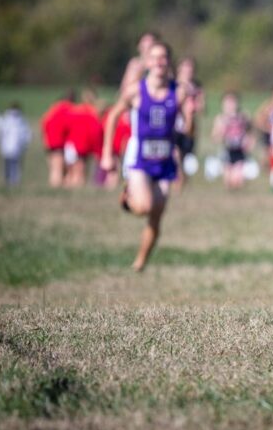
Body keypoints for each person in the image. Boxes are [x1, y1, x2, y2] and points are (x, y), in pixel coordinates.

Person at [101, 39, 194, 272]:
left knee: (156, 214)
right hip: (140, 157)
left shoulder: (179, 92)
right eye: (155, 57)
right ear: (147, 62)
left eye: (164, 57)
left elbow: (188, 130)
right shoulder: (135, 91)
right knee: (143, 207)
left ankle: (140, 262)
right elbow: (113, 116)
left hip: (165, 160)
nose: (159, 62)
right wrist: (106, 153)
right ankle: (128, 195)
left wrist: (190, 117)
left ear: (169, 61)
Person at [173, 57, 205, 191]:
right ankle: (177, 183)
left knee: (185, 156)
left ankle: (182, 182)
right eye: (185, 67)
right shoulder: (171, 84)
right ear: (179, 68)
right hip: (174, 126)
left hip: (190, 127)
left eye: (191, 68)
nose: (188, 71)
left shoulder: (197, 87)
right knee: (175, 154)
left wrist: (194, 106)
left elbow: (203, 108)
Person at [212, 91, 252, 189]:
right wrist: (222, 131)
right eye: (227, 103)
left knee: (238, 181)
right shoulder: (220, 118)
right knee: (228, 182)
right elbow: (214, 137)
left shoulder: (243, 116)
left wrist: (249, 141)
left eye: (232, 102)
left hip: (239, 151)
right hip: (227, 150)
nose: (230, 105)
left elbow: (250, 130)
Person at [65, 88, 104, 188]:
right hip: (82, 146)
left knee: (71, 171)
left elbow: (66, 126)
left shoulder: (75, 110)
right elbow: (95, 132)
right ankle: (75, 191)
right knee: (80, 171)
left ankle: (68, 189)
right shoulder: (92, 113)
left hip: (70, 144)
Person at [41, 90, 75, 187]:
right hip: (61, 142)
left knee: (55, 167)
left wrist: (45, 140)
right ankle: (57, 187)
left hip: (50, 142)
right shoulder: (69, 109)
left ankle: (56, 185)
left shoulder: (53, 109)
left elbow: (44, 123)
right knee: (59, 168)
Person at [0, 102, 32, 186]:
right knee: (9, 165)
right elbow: (1, 133)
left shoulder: (21, 120)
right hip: (8, 147)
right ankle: (8, 180)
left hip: (16, 147)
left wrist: (25, 143)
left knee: (15, 165)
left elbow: (26, 134)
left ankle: (14, 181)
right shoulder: (6, 120)